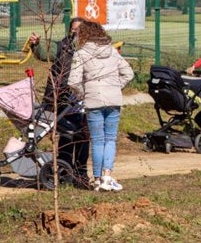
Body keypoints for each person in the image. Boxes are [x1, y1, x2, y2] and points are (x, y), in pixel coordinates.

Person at [68, 21, 134, 191]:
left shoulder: (81, 54)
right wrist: (115, 87)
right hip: (113, 100)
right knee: (110, 139)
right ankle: (107, 176)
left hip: (93, 101)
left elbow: (73, 82)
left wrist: (85, 93)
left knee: (97, 140)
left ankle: (97, 180)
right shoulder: (112, 51)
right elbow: (128, 73)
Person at [30, 17, 90, 188]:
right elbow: (44, 52)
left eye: (80, 29)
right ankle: (64, 171)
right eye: (73, 29)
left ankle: (81, 173)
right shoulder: (62, 47)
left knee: (83, 136)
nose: (76, 32)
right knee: (67, 134)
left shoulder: (90, 49)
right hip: (63, 99)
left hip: (84, 101)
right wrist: (37, 44)